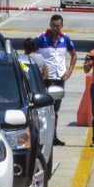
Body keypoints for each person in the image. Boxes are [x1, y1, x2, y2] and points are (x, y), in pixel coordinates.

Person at [34, 14, 77, 146]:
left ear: (62, 26)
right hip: (45, 80)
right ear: (50, 24)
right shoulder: (41, 38)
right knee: (42, 109)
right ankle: (41, 137)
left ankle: (53, 137)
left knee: (55, 110)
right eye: (53, 25)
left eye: (58, 26)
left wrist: (69, 71)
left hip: (59, 80)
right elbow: (29, 53)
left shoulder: (65, 39)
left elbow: (74, 55)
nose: (55, 28)